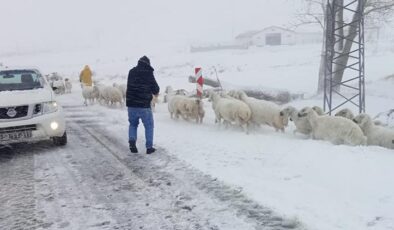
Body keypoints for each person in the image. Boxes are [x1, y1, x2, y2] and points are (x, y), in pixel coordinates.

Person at [126, 56, 160, 154]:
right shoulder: (148, 73)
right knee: (149, 126)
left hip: (131, 104)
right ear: (148, 64)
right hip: (144, 105)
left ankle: (132, 141)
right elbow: (155, 89)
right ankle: (149, 148)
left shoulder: (131, 72)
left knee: (133, 124)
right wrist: (155, 92)